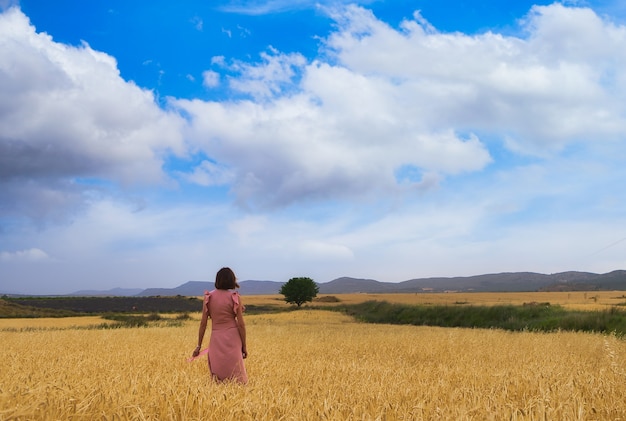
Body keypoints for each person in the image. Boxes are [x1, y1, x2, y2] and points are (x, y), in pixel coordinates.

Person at [192, 267, 248, 383]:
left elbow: (203, 324)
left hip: (216, 337)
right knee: (236, 374)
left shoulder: (209, 297)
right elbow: (241, 325)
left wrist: (199, 346)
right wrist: (244, 346)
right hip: (233, 337)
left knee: (218, 374)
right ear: (232, 280)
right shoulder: (234, 297)